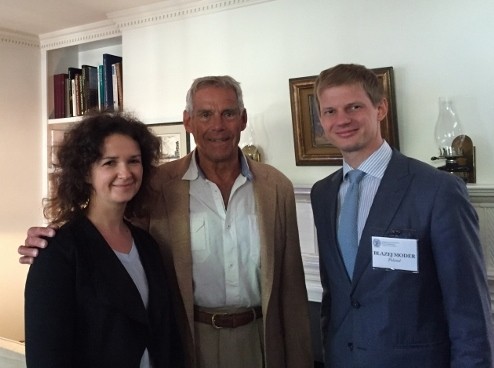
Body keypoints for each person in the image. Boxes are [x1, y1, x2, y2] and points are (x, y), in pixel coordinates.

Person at [20, 76, 313, 368]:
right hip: (188, 341)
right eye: (205, 114)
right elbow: (97, 230)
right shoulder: (159, 186)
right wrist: (50, 234)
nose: (218, 125)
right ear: (188, 121)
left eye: (229, 113)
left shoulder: (276, 187)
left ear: (243, 119)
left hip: (258, 339)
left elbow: (291, 285)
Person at [310, 63, 494, 367]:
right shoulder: (323, 194)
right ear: (321, 118)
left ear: (380, 108)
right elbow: (338, 295)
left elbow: (468, 309)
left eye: (353, 107)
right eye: (330, 111)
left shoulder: (437, 190)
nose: (341, 120)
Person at [24, 112, 183, 368]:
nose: (125, 172)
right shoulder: (59, 252)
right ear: (86, 172)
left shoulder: (147, 244)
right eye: (110, 163)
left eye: (134, 161)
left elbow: (164, 334)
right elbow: (47, 356)